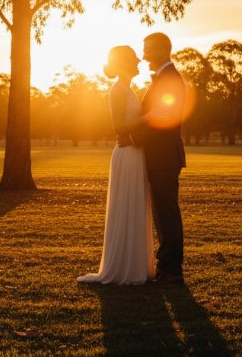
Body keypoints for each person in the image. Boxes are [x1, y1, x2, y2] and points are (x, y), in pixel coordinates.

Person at [77, 46, 156, 285]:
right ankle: (123, 266)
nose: (139, 62)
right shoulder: (117, 91)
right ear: (123, 64)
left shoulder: (127, 89)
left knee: (135, 204)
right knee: (126, 204)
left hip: (135, 152)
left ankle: (136, 264)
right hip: (126, 153)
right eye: (134, 59)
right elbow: (117, 128)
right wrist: (148, 118)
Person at [134, 32, 186, 285]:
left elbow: (163, 120)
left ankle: (171, 270)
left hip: (164, 157)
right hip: (160, 157)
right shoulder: (164, 78)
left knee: (166, 214)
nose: (143, 56)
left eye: (146, 50)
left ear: (160, 50)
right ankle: (167, 266)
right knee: (162, 214)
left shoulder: (170, 79)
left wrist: (133, 138)